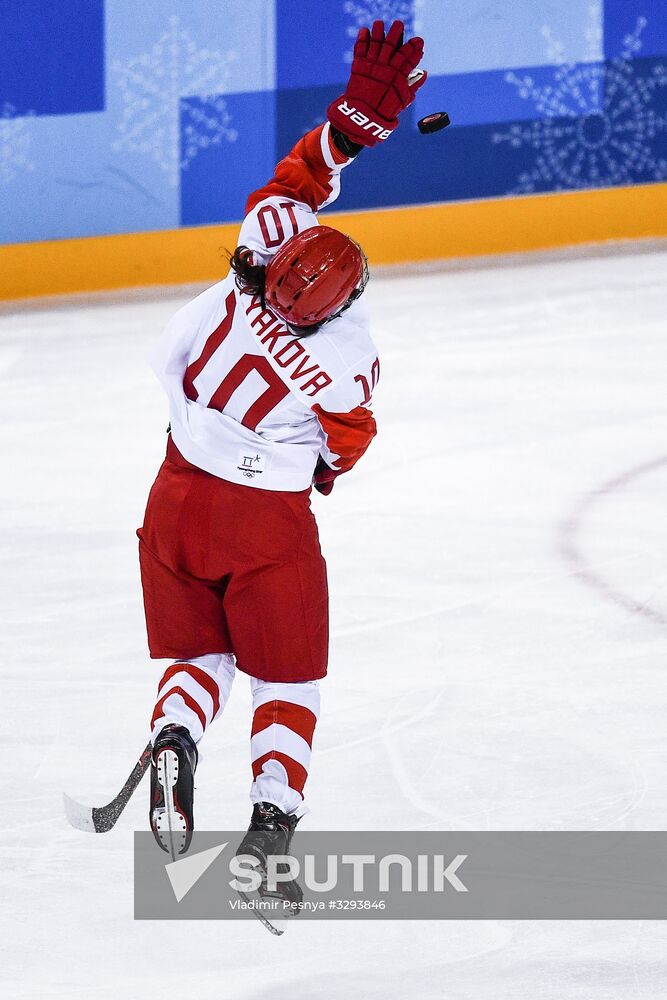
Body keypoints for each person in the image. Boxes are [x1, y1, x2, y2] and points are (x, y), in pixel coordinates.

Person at [138, 20, 426, 868]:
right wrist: (320, 462)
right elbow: (347, 444)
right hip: (264, 520)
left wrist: (351, 126)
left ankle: (176, 733)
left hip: (174, 494)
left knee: (200, 653)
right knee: (287, 678)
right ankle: (268, 829)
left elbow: (300, 175)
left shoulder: (262, 241)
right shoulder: (344, 361)